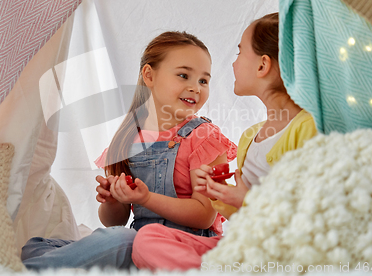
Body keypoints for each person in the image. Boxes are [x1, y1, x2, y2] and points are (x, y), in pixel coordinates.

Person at [20, 31, 237, 270]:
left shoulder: (204, 137)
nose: (195, 88)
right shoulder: (128, 140)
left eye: (203, 81)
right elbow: (116, 220)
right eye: (184, 75)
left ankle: (27, 270)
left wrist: (146, 198)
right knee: (37, 245)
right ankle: (43, 261)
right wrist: (114, 200)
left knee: (121, 241)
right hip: (138, 247)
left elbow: (204, 214)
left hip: (185, 248)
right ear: (149, 75)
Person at [131, 13, 318, 271]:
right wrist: (217, 193)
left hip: (283, 256)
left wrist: (247, 201)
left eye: (240, 52)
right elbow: (241, 216)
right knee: (147, 240)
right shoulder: (250, 137)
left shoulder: (308, 129)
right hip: (245, 249)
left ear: (262, 66)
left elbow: (315, 211)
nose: (232, 64)